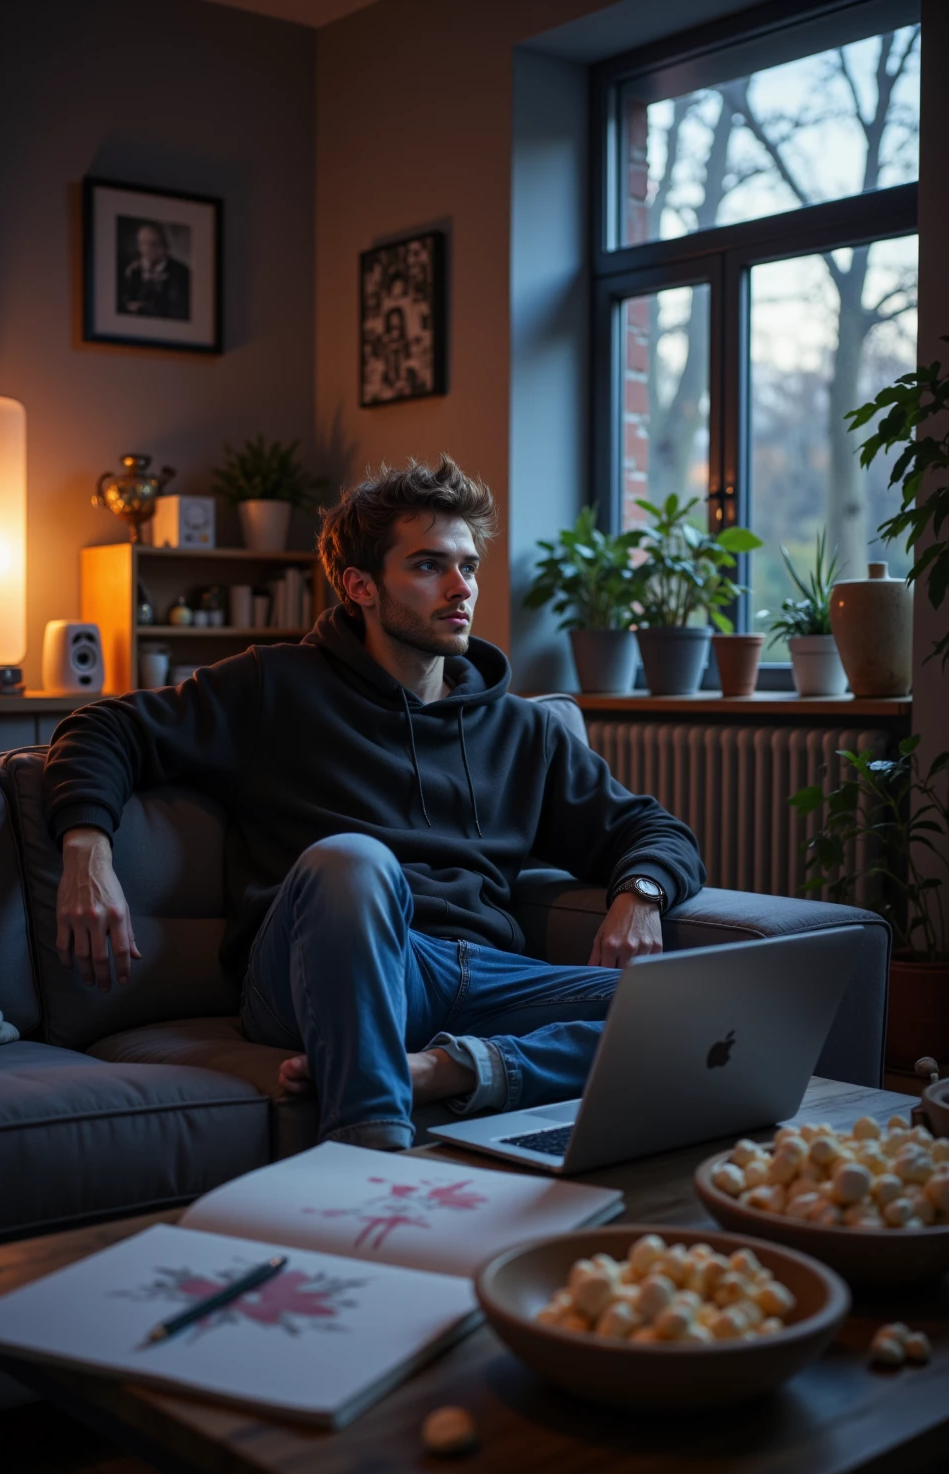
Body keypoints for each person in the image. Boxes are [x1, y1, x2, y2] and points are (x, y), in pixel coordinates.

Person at [44, 456, 705, 1152]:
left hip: (473, 974)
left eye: (468, 566)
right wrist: (87, 847)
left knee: (695, 1008)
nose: (461, 588)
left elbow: (650, 826)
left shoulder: (524, 730)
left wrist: (641, 892)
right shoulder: (275, 685)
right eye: (429, 566)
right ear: (359, 585)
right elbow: (103, 727)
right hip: (314, 962)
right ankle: (370, 1152)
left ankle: (444, 1071)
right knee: (355, 860)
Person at [118, 221, 190, 320]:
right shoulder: (132, 270)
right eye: (142, 243)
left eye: (153, 244)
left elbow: (178, 309)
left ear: (164, 245)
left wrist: (144, 307)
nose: (147, 249)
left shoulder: (181, 272)